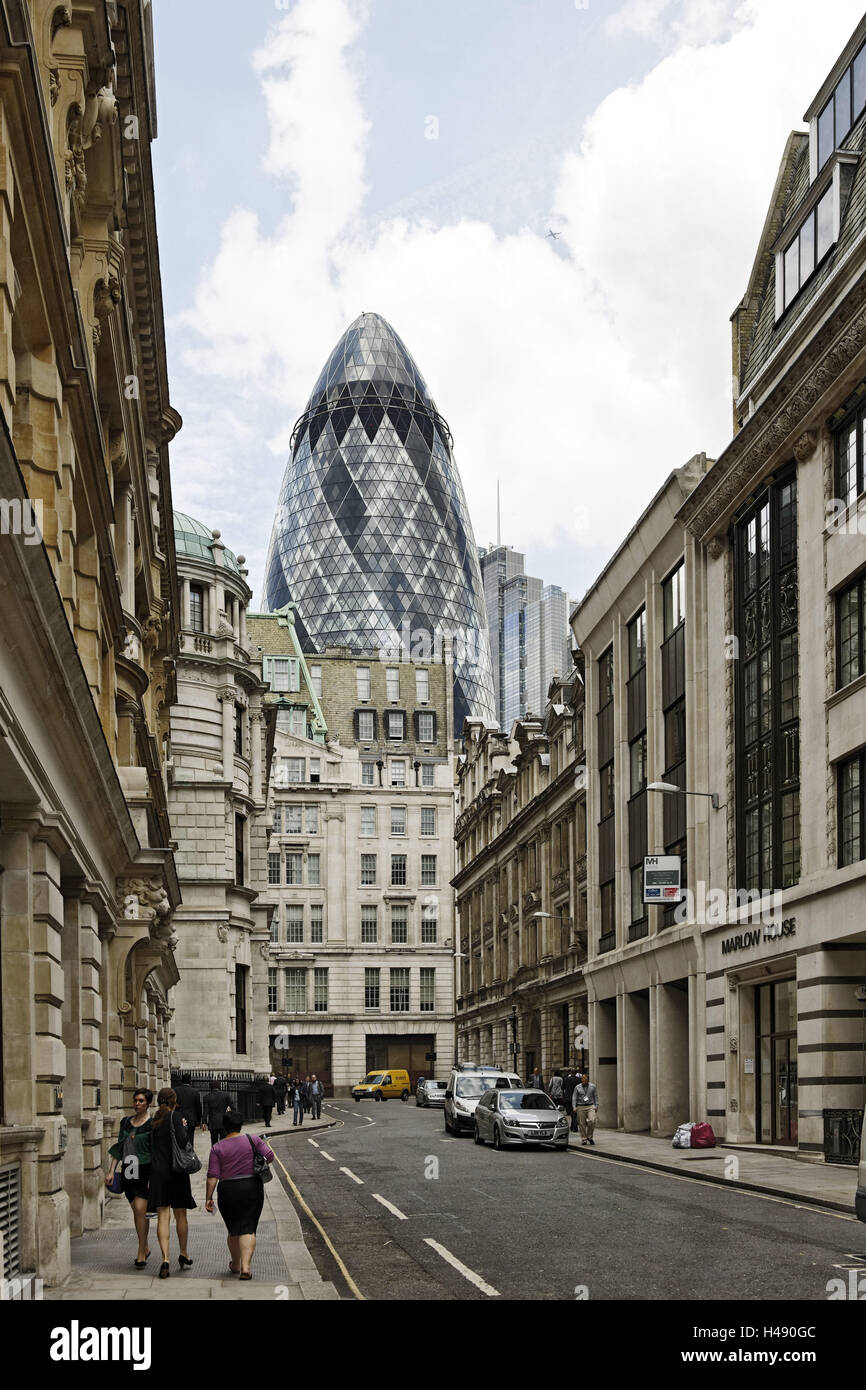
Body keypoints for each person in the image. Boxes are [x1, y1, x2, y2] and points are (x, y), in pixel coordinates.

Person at [206, 1110, 275, 1280]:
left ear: (224, 1126)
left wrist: (209, 1197)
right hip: (251, 1186)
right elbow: (270, 1156)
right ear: (241, 1125)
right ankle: (246, 1267)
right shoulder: (253, 1140)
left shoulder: (217, 1147)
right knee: (248, 1227)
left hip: (227, 1190)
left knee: (234, 1229)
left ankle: (235, 1264)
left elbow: (213, 1175)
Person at [148, 1087, 197, 1277]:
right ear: (173, 1100)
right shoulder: (174, 1117)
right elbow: (183, 1141)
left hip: (158, 1172)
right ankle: (183, 1253)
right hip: (176, 1171)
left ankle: (165, 1259)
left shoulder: (155, 1119)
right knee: (181, 1214)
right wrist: (183, 1126)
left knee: (162, 1216)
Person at [106, 1088, 153, 1267]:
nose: (137, 1103)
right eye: (135, 1100)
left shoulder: (151, 1124)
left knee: (141, 1210)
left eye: (141, 1100)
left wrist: (154, 1177)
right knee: (136, 1211)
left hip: (145, 1169)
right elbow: (119, 1148)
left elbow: (155, 1150)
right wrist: (111, 1171)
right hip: (128, 1169)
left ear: (148, 1103)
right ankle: (145, 1246)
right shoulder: (126, 1122)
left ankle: (141, 1251)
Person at [173, 1073, 202, 1148]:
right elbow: (198, 1107)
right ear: (190, 1081)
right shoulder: (195, 1092)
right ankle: (189, 1156)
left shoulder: (175, 1090)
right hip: (191, 1119)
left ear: (181, 1080)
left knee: (179, 1138)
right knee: (190, 1139)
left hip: (178, 1118)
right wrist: (199, 1120)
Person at [202, 1078, 232, 1146]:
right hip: (224, 1122)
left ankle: (216, 1155)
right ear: (219, 1086)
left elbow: (205, 1111)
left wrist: (204, 1123)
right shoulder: (226, 1095)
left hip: (213, 1123)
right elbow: (233, 1108)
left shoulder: (207, 1097)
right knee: (224, 1143)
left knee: (214, 1144)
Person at [574, 1072, 599, 1145]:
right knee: (582, 1124)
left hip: (590, 1106)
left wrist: (596, 1106)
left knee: (592, 1120)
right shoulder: (577, 1087)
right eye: (582, 1080)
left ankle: (589, 1136)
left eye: (584, 1080)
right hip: (580, 1106)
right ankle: (584, 1138)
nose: (583, 1081)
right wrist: (574, 1107)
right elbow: (574, 1097)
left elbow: (596, 1097)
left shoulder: (593, 1086)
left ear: (588, 1080)